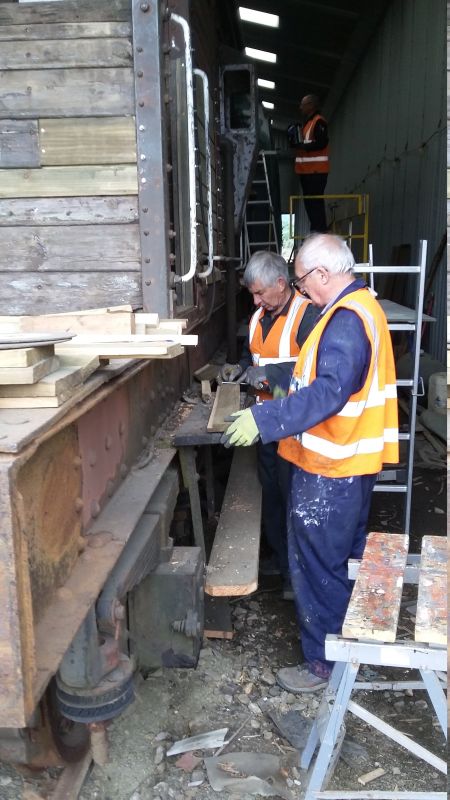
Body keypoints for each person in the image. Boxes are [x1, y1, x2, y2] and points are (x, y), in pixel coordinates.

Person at [221, 234, 399, 691]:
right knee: (340, 560)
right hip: (350, 464)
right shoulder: (358, 309)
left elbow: (328, 391)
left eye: (301, 280)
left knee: (318, 566)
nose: (301, 290)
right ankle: (353, 646)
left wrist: (267, 416)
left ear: (322, 274)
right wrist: (267, 381)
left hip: (331, 469)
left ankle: (325, 664)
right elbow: (307, 375)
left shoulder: (345, 320)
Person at [219, 251, 318, 594]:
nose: (256, 300)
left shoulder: (308, 317)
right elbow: (254, 356)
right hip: (265, 426)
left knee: (295, 500)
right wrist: (240, 367)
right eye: (253, 295)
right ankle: (279, 560)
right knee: (272, 495)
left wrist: (262, 378)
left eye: (260, 293)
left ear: (281, 283)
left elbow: (313, 376)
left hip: (296, 427)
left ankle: (298, 575)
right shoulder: (258, 316)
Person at [288, 94, 329, 233]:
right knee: (311, 206)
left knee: (315, 205)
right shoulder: (308, 124)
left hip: (315, 172)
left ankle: (319, 233)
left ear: (311, 105)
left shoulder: (318, 122)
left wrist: (303, 146)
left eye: (303, 104)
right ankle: (317, 232)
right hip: (307, 171)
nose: (300, 107)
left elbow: (322, 142)